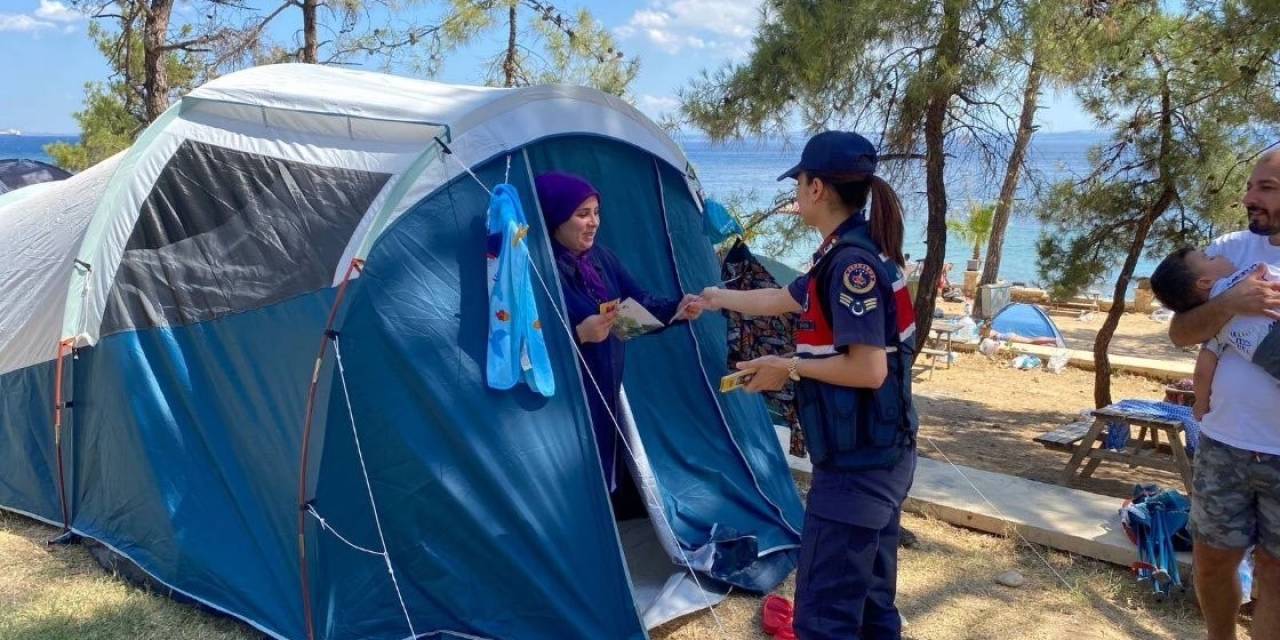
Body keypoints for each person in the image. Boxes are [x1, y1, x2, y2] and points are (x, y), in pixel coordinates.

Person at [698, 131, 917, 640]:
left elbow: (868, 370)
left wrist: (787, 365)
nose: (796, 190)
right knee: (868, 603)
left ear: (817, 188)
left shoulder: (851, 267)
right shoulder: (846, 252)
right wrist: (713, 296)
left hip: (859, 465)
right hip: (878, 452)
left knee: (825, 615)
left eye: (799, 180)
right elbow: (783, 298)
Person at [534, 172, 703, 507]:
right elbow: (528, 342)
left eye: (596, 212)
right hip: (561, 403)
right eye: (582, 214)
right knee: (569, 479)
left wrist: (677, 309)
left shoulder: (602, 259)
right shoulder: (538, 266)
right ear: (554, 217)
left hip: (605, 387)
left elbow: (636, 303)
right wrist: (579, 334)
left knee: (603, 469)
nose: (593, 222)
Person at [1167, 151, 1280, 640]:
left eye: (1268, 188)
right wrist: (1231, 303)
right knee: (1212, 565)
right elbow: (1181, 332)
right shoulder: (1230, 250)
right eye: (1253, 185)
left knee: (1276, 578)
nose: (1250, 197)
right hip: (1223, 445)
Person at [1149, 247, 1280, 420]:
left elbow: (1203, 369)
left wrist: (1201, 403)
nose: (1219, 255)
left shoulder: (1214, 324)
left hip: (1268, 357)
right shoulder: (1252, 273)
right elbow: (1178, 335)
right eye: (1209, 258)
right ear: (1204, 282)